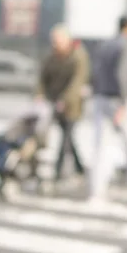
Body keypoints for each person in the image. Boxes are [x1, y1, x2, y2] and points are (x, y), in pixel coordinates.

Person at [89, 13, 127, 205]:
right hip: (119, 100)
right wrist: (124, 103)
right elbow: (122, 73)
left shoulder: (105, 45)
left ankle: (97, 191)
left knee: (100, 148)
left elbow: (96, 72)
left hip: (101, 98)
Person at [37, 24, 89, 186]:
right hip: (54, 102)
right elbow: (43, 76)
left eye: (57, 41)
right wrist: (39, 94)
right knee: (69, 137)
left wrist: (65, 100)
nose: (55, 44)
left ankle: (58, 171)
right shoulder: (52, 56)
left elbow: (78, 82)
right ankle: (81, 168)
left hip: (72, 104)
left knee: (65, 137)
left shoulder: (78, 56)